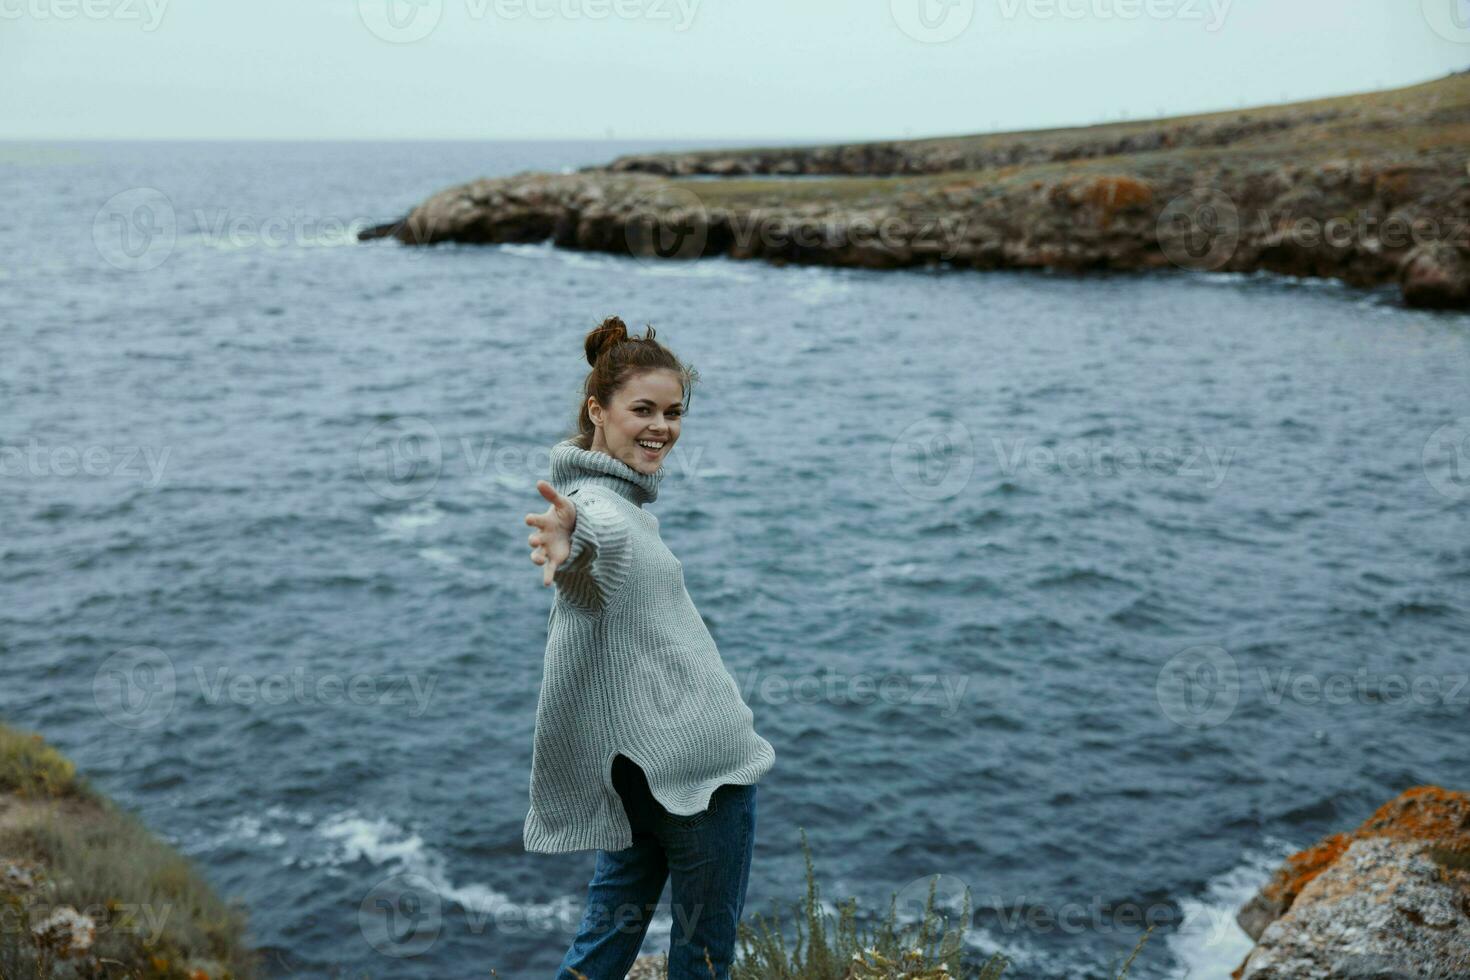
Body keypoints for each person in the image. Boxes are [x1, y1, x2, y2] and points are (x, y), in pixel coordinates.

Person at [524, 315, 776, 979]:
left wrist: (575, 530)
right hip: (702, 777)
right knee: (704, 957)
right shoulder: (600, 508)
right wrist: (567, 536)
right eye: (643, 409)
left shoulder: (616, 501)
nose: (661, 427)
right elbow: (590, 543)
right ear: (596, 411)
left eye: (673, 411)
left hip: (637, 771)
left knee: (605, 940)